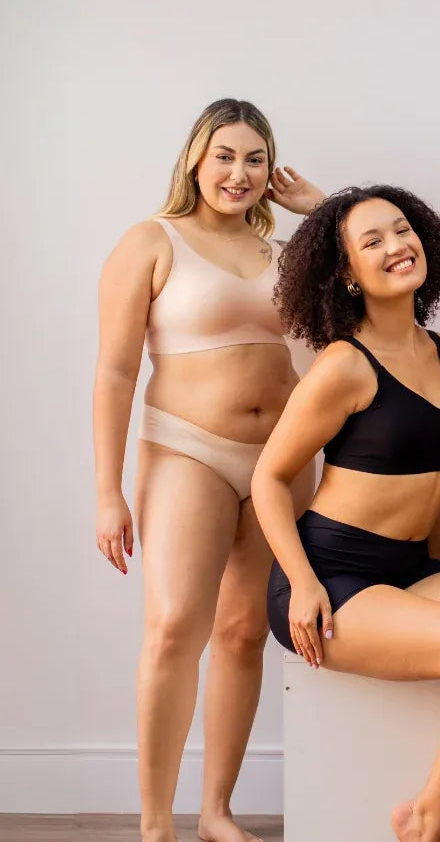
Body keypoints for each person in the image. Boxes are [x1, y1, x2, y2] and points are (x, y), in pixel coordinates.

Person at [254, 186, 440, 842]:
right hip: (330, 574)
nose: (396, 245)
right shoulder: (343, 366)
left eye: (402, 229)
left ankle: (427, 815)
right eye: (373, 242)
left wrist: (436, 574)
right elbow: (269, 478)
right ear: (347, 275)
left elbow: (434, 480)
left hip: (409, 566)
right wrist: (302, 583)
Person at [93, 98, 325, 842]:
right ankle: (155, 822)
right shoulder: (151, 241)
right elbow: (115, 373)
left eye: (256, 159)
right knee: (172, 630)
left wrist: (320, 212)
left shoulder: (286, 252)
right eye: (224, 155)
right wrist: (107, 492)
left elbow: (356, 304)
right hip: (187, 449)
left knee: (243, 633)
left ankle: (215, 812)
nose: (239, 173)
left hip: (281, 461)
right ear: (195, 158)